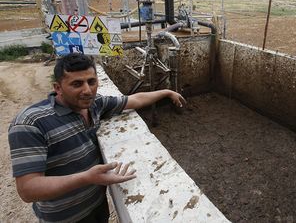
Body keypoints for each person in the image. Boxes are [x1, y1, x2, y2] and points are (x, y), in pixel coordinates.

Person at [8, 53, 186, 222]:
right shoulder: (30, 123)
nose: (87, 90)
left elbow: (134, 100)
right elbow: (28, 190)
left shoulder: (95, 105)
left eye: (91, 82)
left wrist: (167, 92)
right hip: (64, 218)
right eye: (77, 84)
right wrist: (87, 178)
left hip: (97, 205)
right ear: (57, 88)